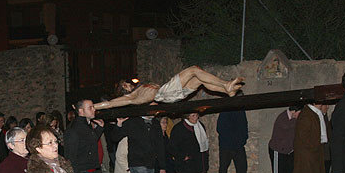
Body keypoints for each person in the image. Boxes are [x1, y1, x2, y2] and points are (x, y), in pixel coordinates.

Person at [94, 66, 245, 109]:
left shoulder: (140, 86)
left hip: (172, 94)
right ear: (124, 91)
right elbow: (110, 103)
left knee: (199, 80)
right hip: (164, 94)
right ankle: (226, 84)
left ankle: (226, 90)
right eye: (124, 86)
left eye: (125, 82)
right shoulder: (131, 97)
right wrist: (93, 106)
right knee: (193, 70)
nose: (127, 84)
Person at [283, 103, 330, 173]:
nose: (326, 106)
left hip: (316, 146)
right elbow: (303, 135)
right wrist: (313, 145)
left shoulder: (317, 113)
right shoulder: (306, 114)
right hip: (307, 149)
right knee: (304, 172)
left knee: (316, 171)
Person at [216, 106, 255, 173]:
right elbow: (220, 128)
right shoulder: (225, 110)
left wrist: (243, 139)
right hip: (226, 145)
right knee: (223, 168)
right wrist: (230, 139)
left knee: (242, 167)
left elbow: (244, 125)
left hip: (239, 145)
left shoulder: (241, 111)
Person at [268, 106, 302, 173]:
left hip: (289, 150)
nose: (300, 115)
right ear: (294, 111)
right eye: (299, 113)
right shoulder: (283, 117)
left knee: (288, 170)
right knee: (278, 170)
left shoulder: (294, 119)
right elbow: (286, 127)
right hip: (277, 149)